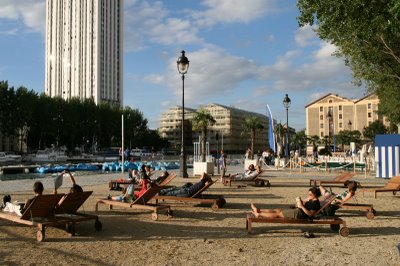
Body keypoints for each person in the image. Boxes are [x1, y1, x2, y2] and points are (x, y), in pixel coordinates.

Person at [251, 186, 322, 219]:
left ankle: (259, 214)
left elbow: (310, 214)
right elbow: (305, 204)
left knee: (278, 214)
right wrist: (300, 202)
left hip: (299, 214)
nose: (308, 195)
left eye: (310, 194)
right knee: (278, 210)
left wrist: (301, 206)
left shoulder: (315, 203)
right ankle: (259, 210)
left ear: (315, 195)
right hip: (298, 211)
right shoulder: (311, 199)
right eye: (308, 194)